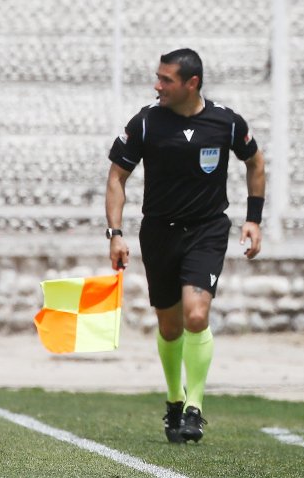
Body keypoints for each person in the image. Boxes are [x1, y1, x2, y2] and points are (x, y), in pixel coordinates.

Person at [105, 48, 265, 443]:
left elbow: (256, 162)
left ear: (192, 83)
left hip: (206, 231)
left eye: (166, 79)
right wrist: (116, 233)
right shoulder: (145, 123)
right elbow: (116, 178)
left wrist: (253, 219)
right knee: (170, 325)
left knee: (196, 315)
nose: (157, 85)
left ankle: (195, 408)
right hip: (159, 232)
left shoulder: (225, 122)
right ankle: (174, 400)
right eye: (157, 78)